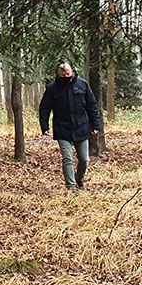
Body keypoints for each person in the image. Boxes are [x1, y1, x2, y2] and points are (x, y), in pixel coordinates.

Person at [39, 61, 101, 190]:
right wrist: (44, 127)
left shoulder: (82, 84)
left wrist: (95, 125)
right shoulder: (52, 88)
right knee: (68, 158)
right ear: (59, 75)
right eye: (63, 75)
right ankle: (70, 187)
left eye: (68, 74)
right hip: (62, 129)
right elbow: (44, 108)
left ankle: (79, 179)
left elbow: (92, 106)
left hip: (81, 127)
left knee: (84, 159)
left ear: (72, 72)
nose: (66, 77)